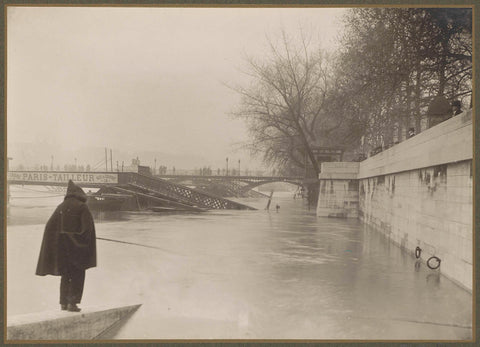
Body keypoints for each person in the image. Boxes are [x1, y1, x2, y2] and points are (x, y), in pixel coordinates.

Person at [36, 180, 97, 312]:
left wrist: (60, 237)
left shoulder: (60, 207)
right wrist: (76, 239)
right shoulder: (82, 207)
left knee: (65, 275)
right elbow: (88, 230)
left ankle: (63, 303)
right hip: (77, 249)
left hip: (63, 250)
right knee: (78, 275)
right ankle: (72, 303)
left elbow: (49, 226)